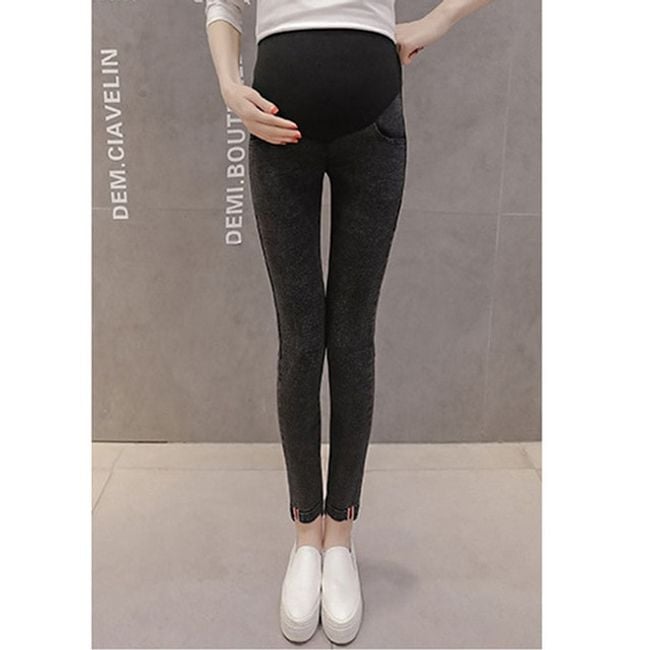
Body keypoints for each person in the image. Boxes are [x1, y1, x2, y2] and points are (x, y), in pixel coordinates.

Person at [205, 0, 494, 643]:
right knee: (301, 339)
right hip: (277, 125)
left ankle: (341, 536)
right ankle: (305, 534)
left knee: (352, 336)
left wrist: (436, 21)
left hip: (373, 125)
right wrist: (228, 83)